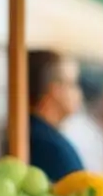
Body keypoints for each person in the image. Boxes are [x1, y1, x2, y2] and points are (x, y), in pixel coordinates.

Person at [26, 50, 84, 181]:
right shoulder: (49, 146)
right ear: (55, 89)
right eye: (73, 83)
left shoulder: (32, 133)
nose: (79, 93)